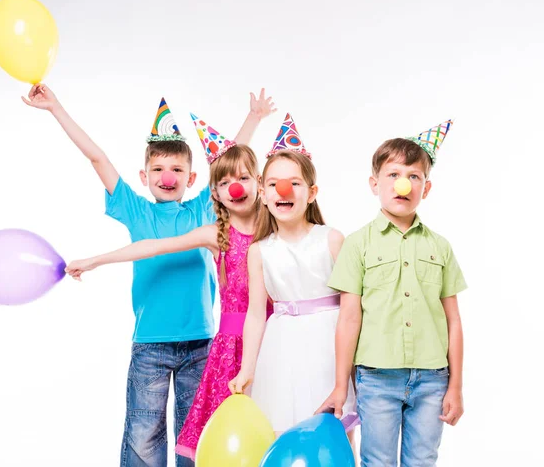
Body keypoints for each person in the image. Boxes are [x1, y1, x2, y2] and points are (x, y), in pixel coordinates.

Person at [23, 85, 274, 466]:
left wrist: (252, 119)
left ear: (193, 179)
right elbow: (97, 158)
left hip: (202, 344)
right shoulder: (135, 210)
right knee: (143, 435)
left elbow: (229, 166)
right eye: (158, 169)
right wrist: (55, 106)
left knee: (200, 433)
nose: (167, 177)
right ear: (144, 175)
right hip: (150, 345)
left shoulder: (205, 213)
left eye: (177, 170)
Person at [317, 120, 467, 466]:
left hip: (432, 379)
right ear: (375, 184)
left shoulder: (440, 247)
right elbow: (349, 318)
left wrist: (455, 386)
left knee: (422, 461)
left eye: (414, 176)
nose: (404, 183)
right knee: (378, 461)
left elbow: (454, 321)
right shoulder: (358, 244)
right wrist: (342, 385)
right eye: (394, 174)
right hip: (376, 378)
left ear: (426, 188)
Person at [228, 114, 357, 444]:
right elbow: (256, 315)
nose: (282, 190)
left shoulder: (332, 239)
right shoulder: (259, 251)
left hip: (328, 348)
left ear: (311, 193)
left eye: (294, 183)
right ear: (263, 191)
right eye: (273, 184)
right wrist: (247, 368)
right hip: (281, 347)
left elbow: (353, 309)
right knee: (279, 433)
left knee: (335, 434)